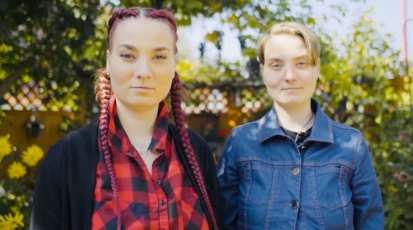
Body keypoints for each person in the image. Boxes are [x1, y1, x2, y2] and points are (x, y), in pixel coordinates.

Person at [30, 7, 223, 230]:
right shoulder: (65, 159)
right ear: (109, 61)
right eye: (128, 55)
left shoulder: (196, 152)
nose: (143, 71)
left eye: (159, 56)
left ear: (174, 64)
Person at [217, 21, 384, 230]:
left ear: (318, 68)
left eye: (301, 63)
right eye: (276, 65)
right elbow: (222, 221)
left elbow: (370, 222)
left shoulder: (352, 145)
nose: (289, 76)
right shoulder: (240, 142)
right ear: (263, 71)